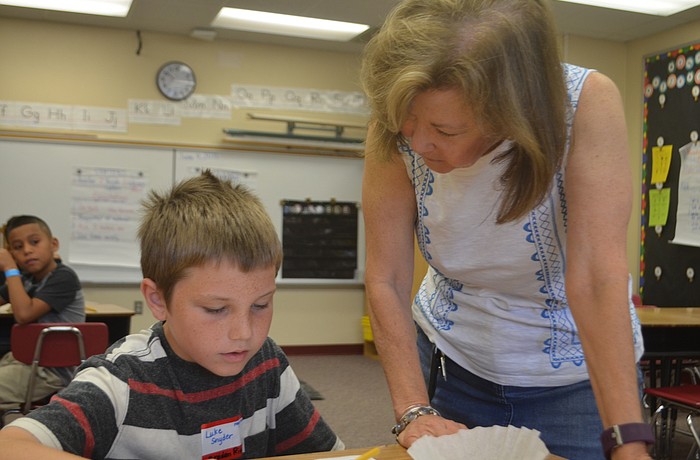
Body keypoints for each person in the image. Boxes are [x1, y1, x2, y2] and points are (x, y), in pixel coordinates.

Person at [360, 1, 651, 459]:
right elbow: (387, 278)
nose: (416, 143)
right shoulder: (403, 110)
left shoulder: (584, 104)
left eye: (444, 129)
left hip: (576, 380)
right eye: (408, 126)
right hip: (453, 361)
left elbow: (596, 278)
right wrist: (413, 409)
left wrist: (628, 440)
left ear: (510, 112)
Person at [0, 171, 344, 459]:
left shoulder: (266, 364)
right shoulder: (123, 381)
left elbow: (328, 454)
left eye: (261, 304)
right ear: (158, 299)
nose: (244, 333)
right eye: (216, 309)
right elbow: (11, 446)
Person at [0, 215, 85, 408]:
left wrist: (10, 268)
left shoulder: (64, 277)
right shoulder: (27, 278)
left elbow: (24, 314)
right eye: (18, 247)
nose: (27, 251)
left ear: (53, 244)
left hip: (53, 371)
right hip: (26, 361)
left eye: (34, 242)